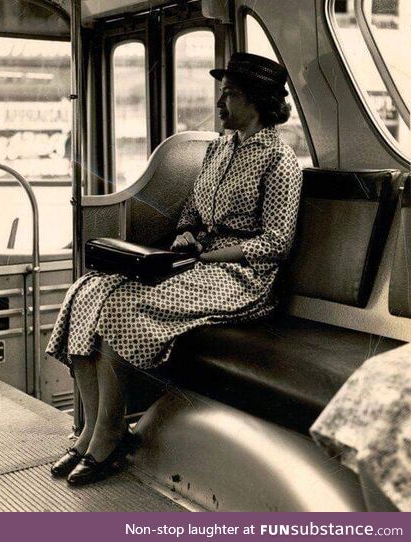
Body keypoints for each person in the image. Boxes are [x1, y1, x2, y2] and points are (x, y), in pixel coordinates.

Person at [46, 53, 303, 486]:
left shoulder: (280, 161)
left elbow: (275, 244)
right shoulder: (220, 149)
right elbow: (193, 210)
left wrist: (211, 257)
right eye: (222, 94)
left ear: (257, 102)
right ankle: (89, 431)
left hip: (241, 278)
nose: (221, 103)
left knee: (119, 306)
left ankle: (111, 433)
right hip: (197, 262)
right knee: (88, 290)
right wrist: (186, 233)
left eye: (231, 95)